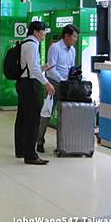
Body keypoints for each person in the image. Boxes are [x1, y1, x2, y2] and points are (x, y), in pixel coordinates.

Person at [15, 21, 55, 165]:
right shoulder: (32, 45)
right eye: (43, 31)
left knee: (22, 118)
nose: (45, 34)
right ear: (36, 32)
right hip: (29, 86)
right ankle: (30, 155)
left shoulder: (26, 43)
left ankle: (21, 150)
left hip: (24, 83)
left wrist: (42, 68)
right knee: (32, 120)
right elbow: (33, 70)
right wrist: (47, 83)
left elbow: (32, 68)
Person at [37, 25, 78, 153]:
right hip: (53, 84)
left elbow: (71, 67)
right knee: (46, 112)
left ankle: (62, 144)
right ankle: (39, 141)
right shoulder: (55, 48)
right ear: (66, 36)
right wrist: (62, 80)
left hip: (67, 85)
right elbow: (51, 67)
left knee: (65, 115)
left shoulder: (72, 50)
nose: (75, 39)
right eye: (74, 37)